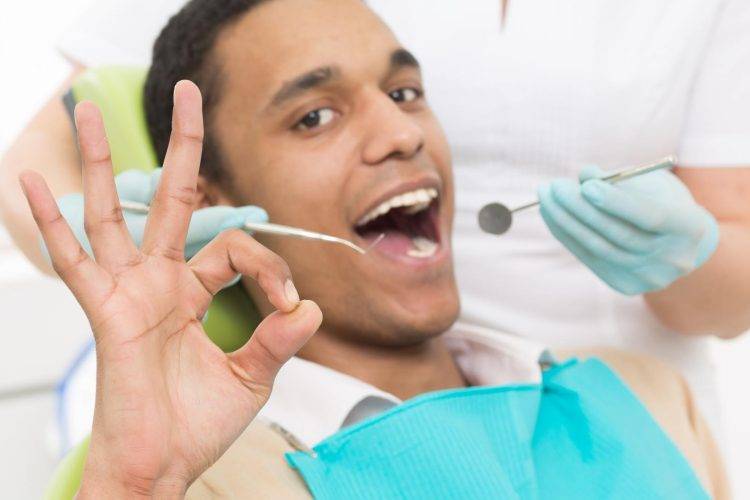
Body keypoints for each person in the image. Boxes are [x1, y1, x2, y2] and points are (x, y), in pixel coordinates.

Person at [22, 0, 727, 497]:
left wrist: (707, 253)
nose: (401, 132)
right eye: (316, 116)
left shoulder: (650, 401)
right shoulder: (208, 478)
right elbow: (35, 155)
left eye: (407, 90)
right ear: (208, 200)